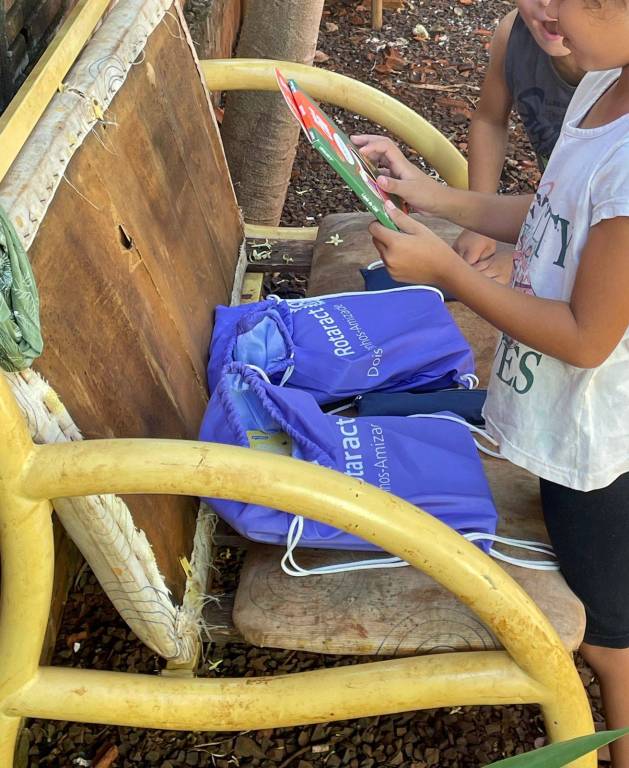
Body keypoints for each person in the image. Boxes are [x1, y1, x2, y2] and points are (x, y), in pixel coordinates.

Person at [353, 0, 629, 765]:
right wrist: (432, 196)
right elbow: (550, 214)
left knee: (610, 637)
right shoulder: (599, 84)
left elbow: (586, 340)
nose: (538, 9)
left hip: (602, 446)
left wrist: (449, 272)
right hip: (563, 417)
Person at [452, 0, 584, 283]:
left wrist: (532, 259)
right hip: (554, 213)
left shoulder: (616, 72)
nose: (547, 4)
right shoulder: (513, 34)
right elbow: (489, 120)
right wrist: (481, 223)